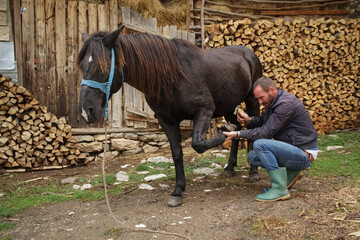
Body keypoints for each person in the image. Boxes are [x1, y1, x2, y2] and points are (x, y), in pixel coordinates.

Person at [223, 76, 318, 202]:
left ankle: (280, 189)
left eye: (261, 97)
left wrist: (238, 134)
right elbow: (262, 121)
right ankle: (292, 173)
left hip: (304, 153)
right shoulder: (274, 102)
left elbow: (265, 132)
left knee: (260, 144)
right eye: (258, 99)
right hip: (295, 151)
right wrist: (249, 120)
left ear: (272, 89)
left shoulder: (285, 104)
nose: (260, 102)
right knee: (253, 156)